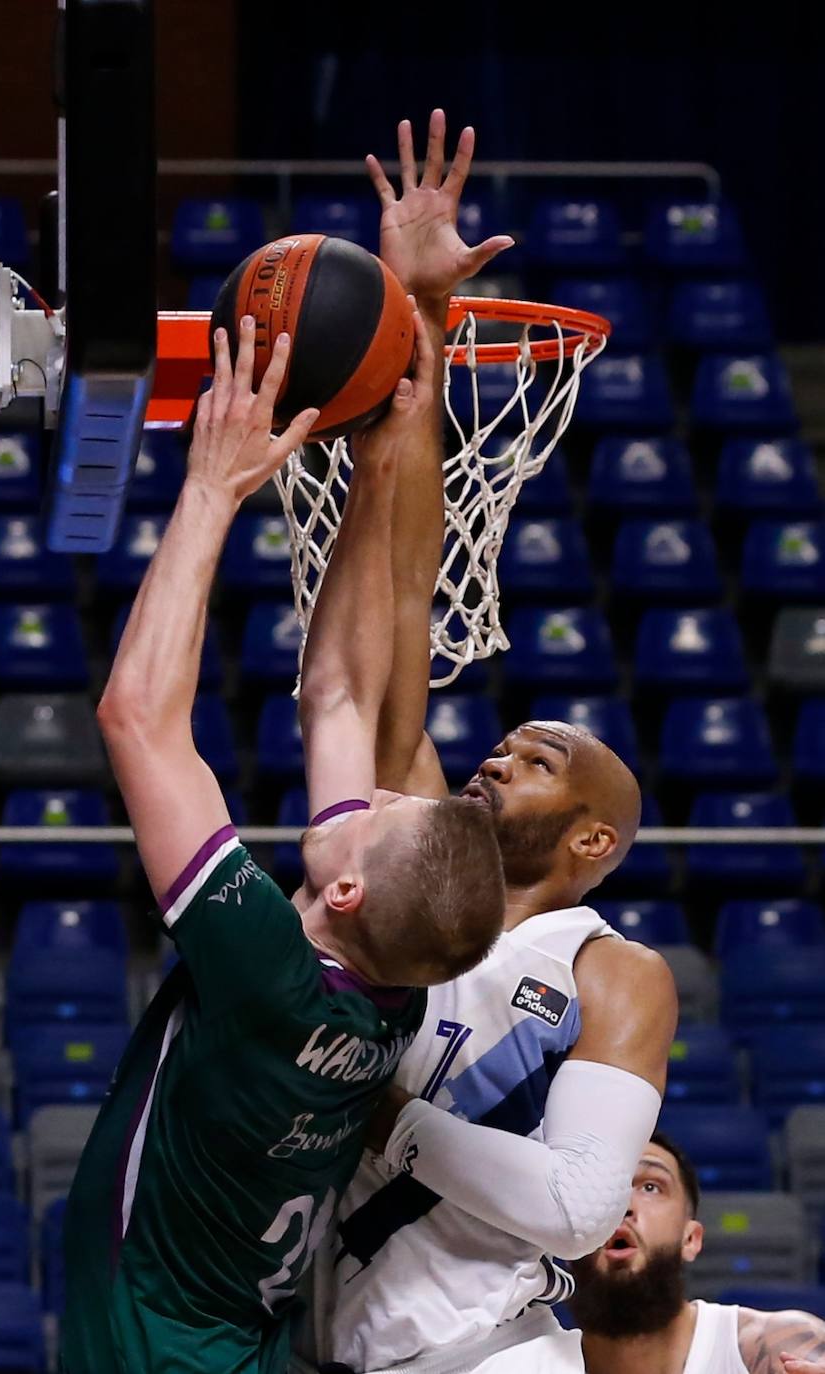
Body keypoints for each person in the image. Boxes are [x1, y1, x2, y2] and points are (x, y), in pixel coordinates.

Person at [300, 111, 678, 1374]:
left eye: (541, 755)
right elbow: (405, 595)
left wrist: (391, 1119)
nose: (499, 754)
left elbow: (575, 1211)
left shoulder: (613, 974)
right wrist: (420, 324)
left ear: (591, 837)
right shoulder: (421, 850)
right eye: (509, 740)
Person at [60, 310, 506, 1372]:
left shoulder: (266, 969)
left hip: (153, 1352)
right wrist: (392, 414)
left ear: (345, 891)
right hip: (234, 1345)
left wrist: (211, 490)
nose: (374, 798)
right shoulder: (387, 992)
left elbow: (137, 716)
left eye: (382, 814)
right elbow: (342, 695)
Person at [573, 1132, 825, 1374]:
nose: (623, 1205)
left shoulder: (773, 1346)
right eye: (601, 1189)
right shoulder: (536, 1360)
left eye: (650, 1187)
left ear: (691, 1238)